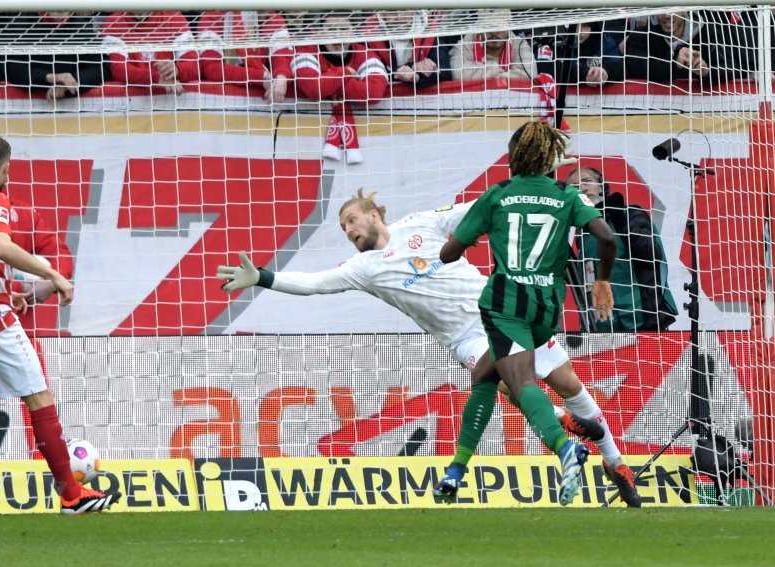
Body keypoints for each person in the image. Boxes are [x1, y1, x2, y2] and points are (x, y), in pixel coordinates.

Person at [215, 187, 642, 507]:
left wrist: (535, 194)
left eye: (350, 220)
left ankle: (613, 459)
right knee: (506, 382)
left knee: (568, 383)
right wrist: (264, 278)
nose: (348, 231)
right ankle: (562, 425)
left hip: (499, 309)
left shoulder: (420, 224)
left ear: (374, 214)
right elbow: (314, 284)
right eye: (343, 227)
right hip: (468, 338)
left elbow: (476, 210)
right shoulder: (362, 268)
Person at [439, 120, 617, 507]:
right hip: (546, 308)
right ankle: (455, 470)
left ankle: (563, 447)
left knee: (520, 385)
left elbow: (448, 253)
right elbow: (606, 237)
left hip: (505, 305)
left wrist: (462, 243)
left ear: (515, 156)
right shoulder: (567, 195)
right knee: (486, 376)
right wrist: (602, 280)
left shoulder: (499, 193)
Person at [0, 135, 119, 515]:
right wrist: (54, 275)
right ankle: (72, 493)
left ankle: (72, 492)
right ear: (7, 167)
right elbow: (3, 248)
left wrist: (8, 289)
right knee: (39, 396)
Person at [567, 166, 677, 332]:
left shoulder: (630, 212)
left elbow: (652, 254)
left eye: (586, 181)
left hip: (642, 318)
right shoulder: (581, 232)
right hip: (604, 324)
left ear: (602, 187)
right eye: (574, 187)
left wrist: (618, 217)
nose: (581, 188)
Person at [291, 12, 389, 164]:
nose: (337, 36)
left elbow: (373, 93)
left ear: (353, 32)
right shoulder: (306, 50)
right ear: (319, 31)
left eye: (344, 29)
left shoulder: (365, 54)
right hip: (304, 144)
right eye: (330, 29)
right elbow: (314, 88)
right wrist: (346, 72)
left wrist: (328, 79)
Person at [4, 12, 109, 101]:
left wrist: (71, 82)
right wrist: (49, 77)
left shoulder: (81, 27)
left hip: (72, 107)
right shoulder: (22, 25)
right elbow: (11, 67)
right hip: (27, 106)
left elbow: (100, 68)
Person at [195, 11, 293, 103]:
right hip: (221, 100)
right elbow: (212, 69)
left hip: (260, 101)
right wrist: (261, 77)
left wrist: (281, 77)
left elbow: (282, 56)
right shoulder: (211, 17)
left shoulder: (271, 17)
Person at [102, 11, 201, 95]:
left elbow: (195, 66)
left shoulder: (174, 18)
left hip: (172, 102)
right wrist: (155, 78)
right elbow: (118, 69)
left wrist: (176, 70)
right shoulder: (114, 22)